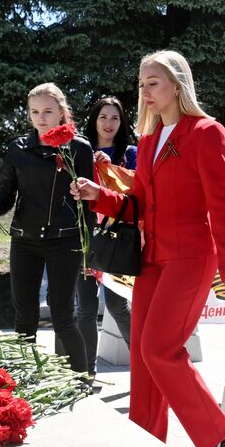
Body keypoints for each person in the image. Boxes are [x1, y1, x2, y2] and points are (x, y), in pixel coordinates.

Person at [71, 51, 225, 447]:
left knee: (159, 349)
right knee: (143, 357)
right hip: (152, 258)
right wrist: (101, 196)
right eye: (142, 84)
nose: (145, 92)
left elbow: (221, 206)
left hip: (191, 257)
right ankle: (144, 441)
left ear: (178, 85)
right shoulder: (148, 141)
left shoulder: (206, 132)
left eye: (154, 83)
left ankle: (217, 432)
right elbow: (140, 205)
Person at [0, 83, 95, 374]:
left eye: (47, 111)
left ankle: (83, 380)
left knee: (63, 316)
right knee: (24, 316)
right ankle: (23, 379)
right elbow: (6, 194)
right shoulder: (18, 148)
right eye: (34, 112)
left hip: (65, 242)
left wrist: (89, 250)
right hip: (25, 241)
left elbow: (89, 204)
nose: (40, 118)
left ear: (61, 112)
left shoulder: (79, 148)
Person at [77, 95, 136, 370]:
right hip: (84, 237)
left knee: (117, 306)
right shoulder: (78, 151)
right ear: (94, 120)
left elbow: (136, 193)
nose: (109, 123)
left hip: (117, 240)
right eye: (103, 117)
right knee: (85, 310)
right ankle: (86, 372)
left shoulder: (131, 154)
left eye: (115, 117)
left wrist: (113, 169)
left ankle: (145, 364)